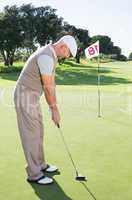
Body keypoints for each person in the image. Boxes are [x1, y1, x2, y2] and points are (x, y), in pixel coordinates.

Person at [14, 35, 77, 185]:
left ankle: (41, 164)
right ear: (63, 47)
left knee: (39, 131)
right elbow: (48, 87)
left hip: (32, 96)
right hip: (25, 95)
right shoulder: (46, 56)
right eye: (68, 53)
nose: (67, 57)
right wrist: (54, 109)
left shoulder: (51, 55)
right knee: (31, 134)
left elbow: (52, 83)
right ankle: (34, 174)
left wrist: (53, 106)